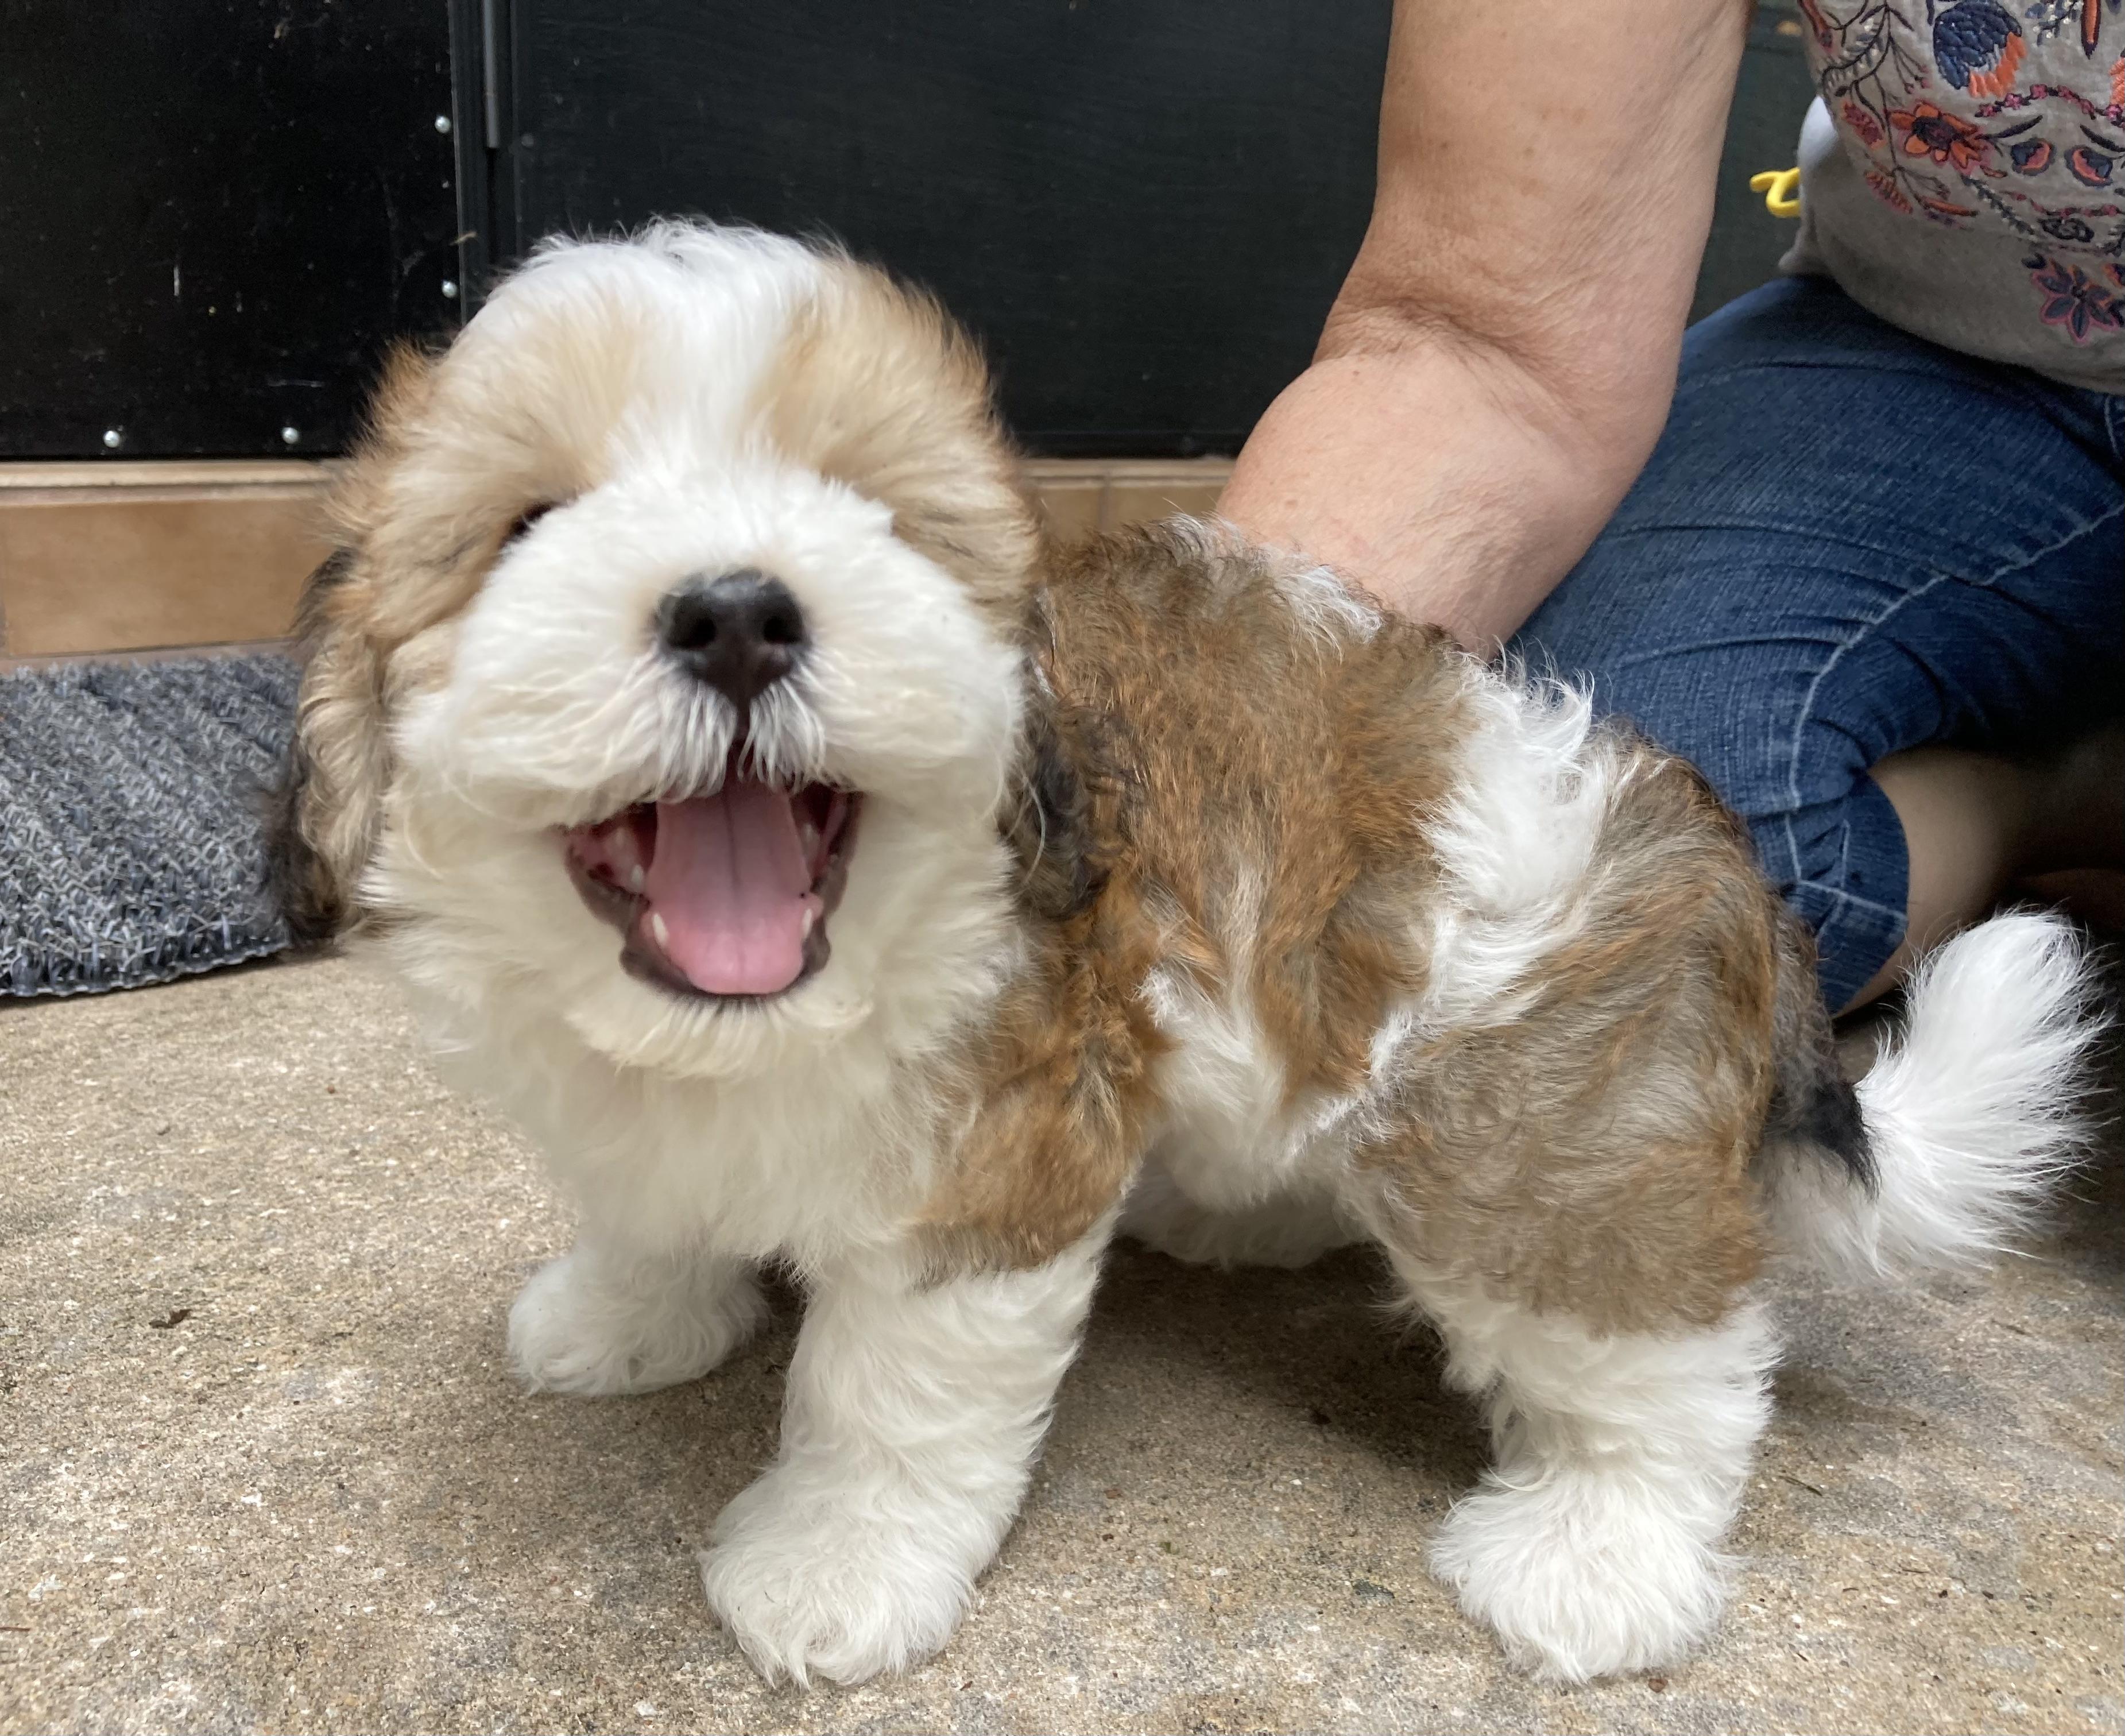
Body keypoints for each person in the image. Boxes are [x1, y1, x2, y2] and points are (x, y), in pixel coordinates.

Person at [1221, 0, 2125, 1012]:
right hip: (1938, 348)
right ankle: (2068, 794)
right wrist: (1200, 774)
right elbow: (1477, 343)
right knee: (1605, 871)